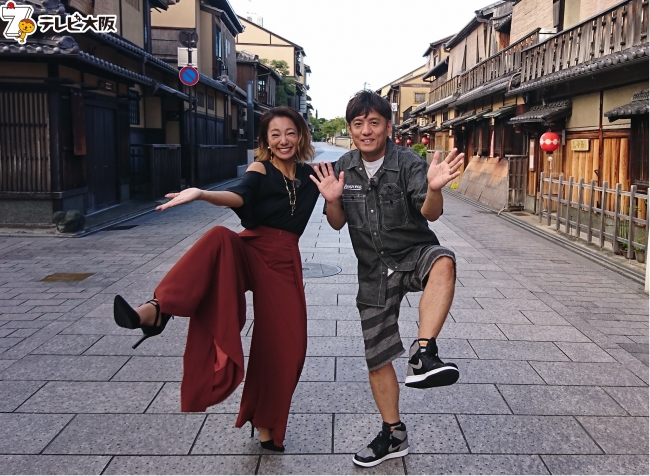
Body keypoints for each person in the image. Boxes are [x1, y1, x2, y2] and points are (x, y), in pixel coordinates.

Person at [113, 106, 320, 451]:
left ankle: (266, 421)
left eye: (290, 132)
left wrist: (333, 199)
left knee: (289, 346)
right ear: (265, 141)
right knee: (219, 237)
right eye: (275, 134)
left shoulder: (312, 175)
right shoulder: (260, 167)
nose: (283, 140)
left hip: (284, 262)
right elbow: (239, 195)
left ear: (300, 136)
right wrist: (202, 194)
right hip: (251, 250)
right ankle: (156, 308)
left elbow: (337, 212)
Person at [311, 90, 463, 467]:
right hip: (374, 271)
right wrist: (332, 199)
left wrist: (433, 188)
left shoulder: (408, 162)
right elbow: (337, 223)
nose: (366, 130)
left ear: (388, 126)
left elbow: (430, 214)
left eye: (374, 123)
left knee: (443, 259)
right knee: (377, 358)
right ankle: (393, 433)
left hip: (412, 255)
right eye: (358, 123)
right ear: (350, 128)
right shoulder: (344, 167)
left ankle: (423, 354)